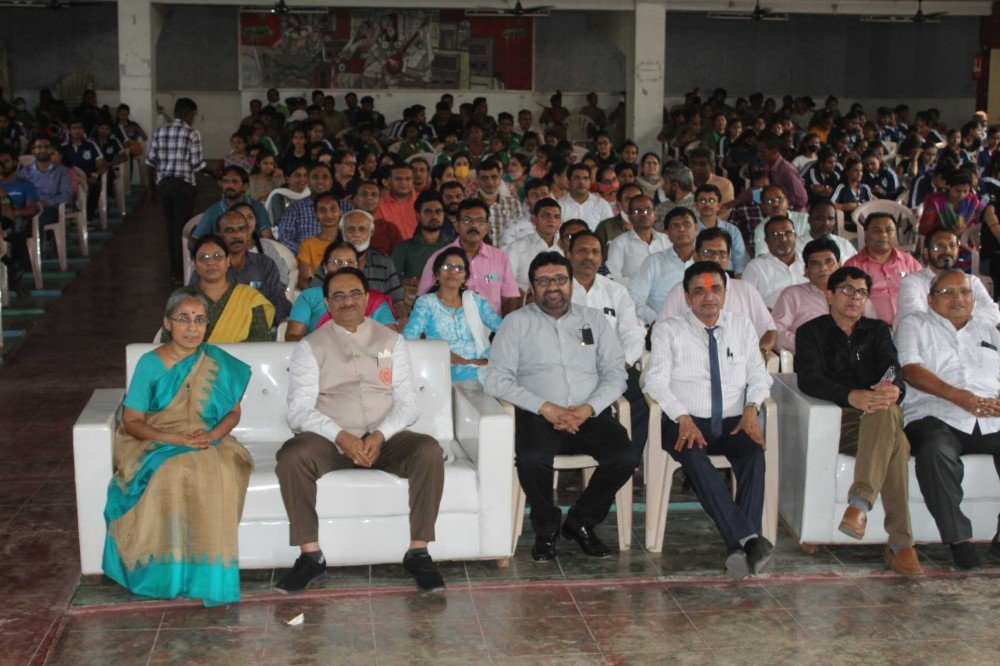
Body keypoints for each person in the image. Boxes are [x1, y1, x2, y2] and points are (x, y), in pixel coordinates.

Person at [275, 267, 447, 593]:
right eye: (338, 295)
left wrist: (380, 435)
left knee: (428, 450)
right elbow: (298, 411)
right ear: (327, 303)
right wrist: (342, 436)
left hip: (386, 439)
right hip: (332, 441)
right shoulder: (310, 346)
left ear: (367, 298)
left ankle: (419, 552)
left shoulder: (391, 341)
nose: (347, 301)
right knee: (292, 455)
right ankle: (311, 557)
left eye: (355, 293)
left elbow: (408, 405)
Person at [104, 288, 253, 607]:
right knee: (172, 470)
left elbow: (233, 413)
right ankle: (166, 575)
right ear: (167, 323)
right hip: (155, 439)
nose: (192, 327)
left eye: (200, 320)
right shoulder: (150, 363)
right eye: (183, 319)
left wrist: (211, 436)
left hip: (210, 439)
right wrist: (178, 440)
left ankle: (206, 576)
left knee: (221, 470)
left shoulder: (217, 362)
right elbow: (132, 421)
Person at [482, 252, 633, 561]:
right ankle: (547, 528)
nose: (553, 287)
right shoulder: (516, 323)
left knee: (625, 455)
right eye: (544, 281)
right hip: (539, 415)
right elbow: (496, 380)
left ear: (571, 283)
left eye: (560, 279)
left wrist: (589, 407)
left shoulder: (593, 320)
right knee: (531, 458)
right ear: (532, 287)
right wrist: (544, 407)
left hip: (589, 413)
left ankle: (580, 522)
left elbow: (616, 373)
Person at [644, 262, 774, 579]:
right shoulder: (668, 329)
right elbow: (654, 382)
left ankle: (739, 547)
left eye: (716, 289)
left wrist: (751, 408)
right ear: (687, 296)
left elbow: (759, 376)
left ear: (725, 293)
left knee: (753, 452)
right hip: (685, 419)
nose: (709, 297)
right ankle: (749, 539)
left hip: (733, 419)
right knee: (692, 453)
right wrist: (682, 416)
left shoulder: (742, 326)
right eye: (699, 291)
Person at [795, 266, 924, 576]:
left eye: (862, 293)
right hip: (841, 418)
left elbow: (892, 369)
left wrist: (893, 389)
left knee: (885, 411)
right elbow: (809, 379)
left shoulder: (877, 330)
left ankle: (860, 506)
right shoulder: (811, 332)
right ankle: (901, 544)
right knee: (896, 443)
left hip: (879, 410)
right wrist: (852, 396)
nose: (855, 298)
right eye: (847, 290)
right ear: (829, 295)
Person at [896, 269, 1000, 570]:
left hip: (991, 418)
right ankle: (959, 539)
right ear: (930, 299)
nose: (959, 299)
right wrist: (958, 396)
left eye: (965, 292)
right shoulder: (915, 324)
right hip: (935, 414)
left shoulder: (990, 331)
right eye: (948, 292)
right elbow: (911, 370)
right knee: (935, 451)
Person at [569, 231, 648, 459]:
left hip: (614, 366)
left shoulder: (616, 291)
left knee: (642, 399)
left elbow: (632, 334)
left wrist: (620, 366)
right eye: (582, 251)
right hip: (571, 370)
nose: (589, 257)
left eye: (595, 252)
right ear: (569, 255)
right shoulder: (559, 290)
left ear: (602, 258)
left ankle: (629, 462)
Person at [655, 228, 777, 356]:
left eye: (721, 253)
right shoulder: (680, 291)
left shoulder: (746, 290)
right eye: (708, 252)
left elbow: (770, 331)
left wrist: (761, 352)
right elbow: (660, 331)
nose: (715, 258)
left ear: (728, 259)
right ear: (696, 256)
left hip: (739, 362)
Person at [403, 247, 503, 382]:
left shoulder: (476, 302)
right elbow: (408, 337)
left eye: (459, 268)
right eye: (446, 267)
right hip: (442, 370)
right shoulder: (427, 303)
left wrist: (489, 358)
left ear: (465, 278)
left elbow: (506, 331)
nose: (452, 272)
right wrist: (442, 353)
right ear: (436, 274)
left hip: (480, 368)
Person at [418, 199, 521, 316]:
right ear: (456, 226)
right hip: (452, 324)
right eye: (467, 220)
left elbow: (510, 297)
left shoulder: (500, 258)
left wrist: (505, 325)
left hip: (492, 324)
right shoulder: (439, 258)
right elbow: (423, 299)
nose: (474, 225)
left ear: (487, 227)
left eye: (480, 221)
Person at [772, 238, 874, 354]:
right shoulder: (792, 295)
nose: (823, 268)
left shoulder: (857, 295)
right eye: (816, 264)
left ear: (839, 266)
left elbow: (874, 331)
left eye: (829, 262)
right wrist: (809, 344)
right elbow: (776, 330)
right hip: (811, 359)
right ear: (806, 270)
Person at [167, 235, 274, 342]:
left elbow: (261, 340)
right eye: (203, 258)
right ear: (195, 264)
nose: (210, 262)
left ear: (227, 261)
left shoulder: (249, 297)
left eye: (217, 256)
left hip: (239, 354)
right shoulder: (180, 297)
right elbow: (168, 341)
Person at [286, 241, 396, 341]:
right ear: (325, 268)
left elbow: (390, 339)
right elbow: (292, 337)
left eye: (350, 262)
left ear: (358, 267)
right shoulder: (310, 296)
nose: (344, 267)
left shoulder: (373, 299)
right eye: (337, 262)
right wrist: (324, 348)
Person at [146, 98, 205, 284]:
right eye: (193, 114)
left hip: (164, 185)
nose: (193, 118)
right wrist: (215, 173)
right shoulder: (192, 133)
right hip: (183, 186)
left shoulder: (160, 131)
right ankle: (182, 270)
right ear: (188, 113)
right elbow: (197, 164)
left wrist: (152, 189)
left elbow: (150, 163)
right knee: (183, 229)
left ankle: (174, 270)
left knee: (170, 227)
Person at [197, 211, 290, 322]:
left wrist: (280, 323)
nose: (237, 235)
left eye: (242, 229)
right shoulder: (209, 267)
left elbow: (279, 300)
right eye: (229, 230)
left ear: (248, 233)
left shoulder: (264, 263)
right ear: (219, 235)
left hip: (262, 326)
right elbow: (192, 300)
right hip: (223, 327)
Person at [898, 228, 999, 326]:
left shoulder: (971, 281)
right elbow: (918, 320)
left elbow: (994, 314)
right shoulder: (911, 283)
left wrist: (954, 317)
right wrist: (963, 316)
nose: (947, 250)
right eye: (938, 246)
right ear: (926, 252)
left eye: (952, 245)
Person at [844, 212, 921, 324]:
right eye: (877, 230)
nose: (884, 235)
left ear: (896, 233)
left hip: (910, 324)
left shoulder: (908, 261)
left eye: (889, 230)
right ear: (865, 233)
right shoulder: (853, 266)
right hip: (870, 328)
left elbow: (924, 289)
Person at [629, 207, 697, 324]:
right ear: (667, 233)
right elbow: (635, 298)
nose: (681, 229)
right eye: (675, 226)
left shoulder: (705, 262)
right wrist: (656, 320)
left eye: (686, 224)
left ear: (696, 229)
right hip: (662, 326)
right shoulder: (654, 262)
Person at [391, 191, 452, 306]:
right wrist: (410, 282)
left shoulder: (453, 246)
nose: (434, 216)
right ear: (418, 215)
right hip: (414, 306)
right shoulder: (403, 248)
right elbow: (393, 281)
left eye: (438, 211)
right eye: (428, 212)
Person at [337, 210, 405, 311]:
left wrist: (401, 317)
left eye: (362, 229)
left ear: (371, 233)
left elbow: (398, 301)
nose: (356, 234)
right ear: (342, 232)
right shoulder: (332, 261)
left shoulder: (384, 262)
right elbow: (317, 300)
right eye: (350, 229)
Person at [606, 193, 671, 288]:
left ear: (655, 215)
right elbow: (613, 276)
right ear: (629, 217)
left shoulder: (667, 241)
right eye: (637, 211)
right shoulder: (619, 243)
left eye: (648, 210)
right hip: (633, 295)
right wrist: (642, 285)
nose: (644, 214)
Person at [741, 216, 808, 308]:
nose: (783, 239)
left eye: (788, 233)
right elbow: (746, 302)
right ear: (766, 241)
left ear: (795, 236)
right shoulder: (755, 267)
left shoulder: (808, 261)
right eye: (775, 235)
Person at [192, 166, 273, 239]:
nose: (229, 185)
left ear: (245, 187)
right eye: (226, 181)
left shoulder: (258, 207)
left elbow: (267, 236)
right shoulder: (212, 211)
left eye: (235, 181)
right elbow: (195, 239)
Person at [506, 197, 562, 292]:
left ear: (560, 222)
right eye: (546, 215)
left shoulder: (564, 248)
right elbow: (507, 284)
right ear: (533, 219)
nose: (552, 220)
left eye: (556, 217)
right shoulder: (516, 248)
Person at [279, 162, 335, 254]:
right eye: (315, 177)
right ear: (308, 181)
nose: (320, 181)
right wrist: (308, 253)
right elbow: (284, 238)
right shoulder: (294, 209)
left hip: (338, 259)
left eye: (325, 177)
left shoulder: (345, 207)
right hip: (304, 259)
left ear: (331, 182)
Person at [17, 136, 73, 227]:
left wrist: (47, 203)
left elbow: (67, 195)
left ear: (51, 150)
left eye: (46, 147)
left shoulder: (61, 171)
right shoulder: (25, 172)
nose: (43, 150)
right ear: (33, 151)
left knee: (39, 220)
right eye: (39, 147)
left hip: (51, 209)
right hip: (29, 208)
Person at [693, 184, 748, 275]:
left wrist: (737, 280)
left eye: (712, 200)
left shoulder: (732, 230)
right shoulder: (690, 232)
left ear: (719, 205)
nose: (707, 204)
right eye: (702, 200)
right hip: (700, 274)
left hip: (729, 274)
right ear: (696, 205)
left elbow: (741, 262)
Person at [755, 130, 808, 211]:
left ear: (774, 151)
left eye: (763, 152)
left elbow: (802, 198)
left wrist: (787, 212)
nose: (759, 155)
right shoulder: (767, 167)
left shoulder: (787, 170)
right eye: (758, 151)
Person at [556, 163, 614, 231]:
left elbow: (610, 231)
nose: (582, 182)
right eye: (577, 178)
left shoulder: (602, 205)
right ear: (568, 181)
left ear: (590, 182)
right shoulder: (559, 205)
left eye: (585, 178)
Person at [374, 162, 419, 241]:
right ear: (389, 181)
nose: (403, 182)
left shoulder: (423, 202)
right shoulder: (378, 205)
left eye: (408, 179)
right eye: (398, 179)